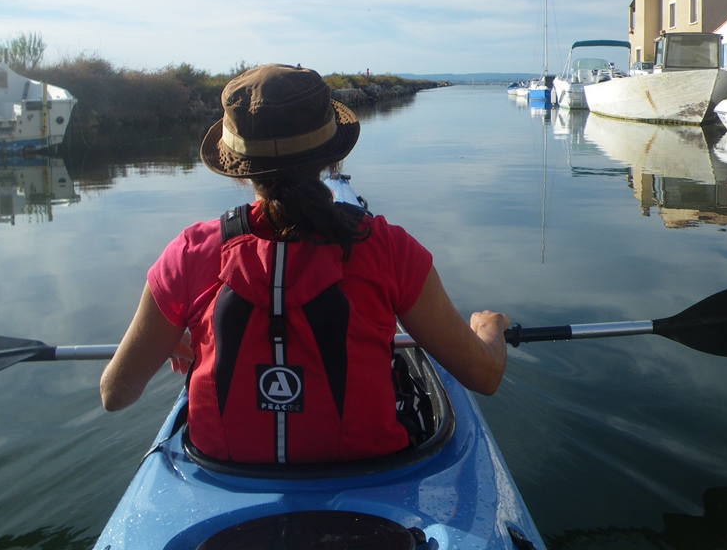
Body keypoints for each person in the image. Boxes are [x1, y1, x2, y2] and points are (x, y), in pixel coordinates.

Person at [100, 63, 509, 463]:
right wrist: (488, 328)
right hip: (368, 482)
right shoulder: (388, 249)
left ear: (240, 172)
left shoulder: (189, 254)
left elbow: (115, 394)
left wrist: (167, 335)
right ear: (332, 161)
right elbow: (484, 376)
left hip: (225, 475)